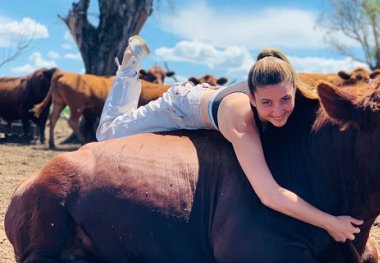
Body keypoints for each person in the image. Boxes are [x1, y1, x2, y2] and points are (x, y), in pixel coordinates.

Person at [97, 36, 363, 242]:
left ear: (293, 88)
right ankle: (129, 68)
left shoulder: (279, 85)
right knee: (107, 134)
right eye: (266, 103)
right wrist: (330, 223)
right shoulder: (242, 121)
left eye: (285, 99)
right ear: (252, 98)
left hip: (212, 99)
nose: (278, 110)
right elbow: (270, 195)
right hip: (180, 107)